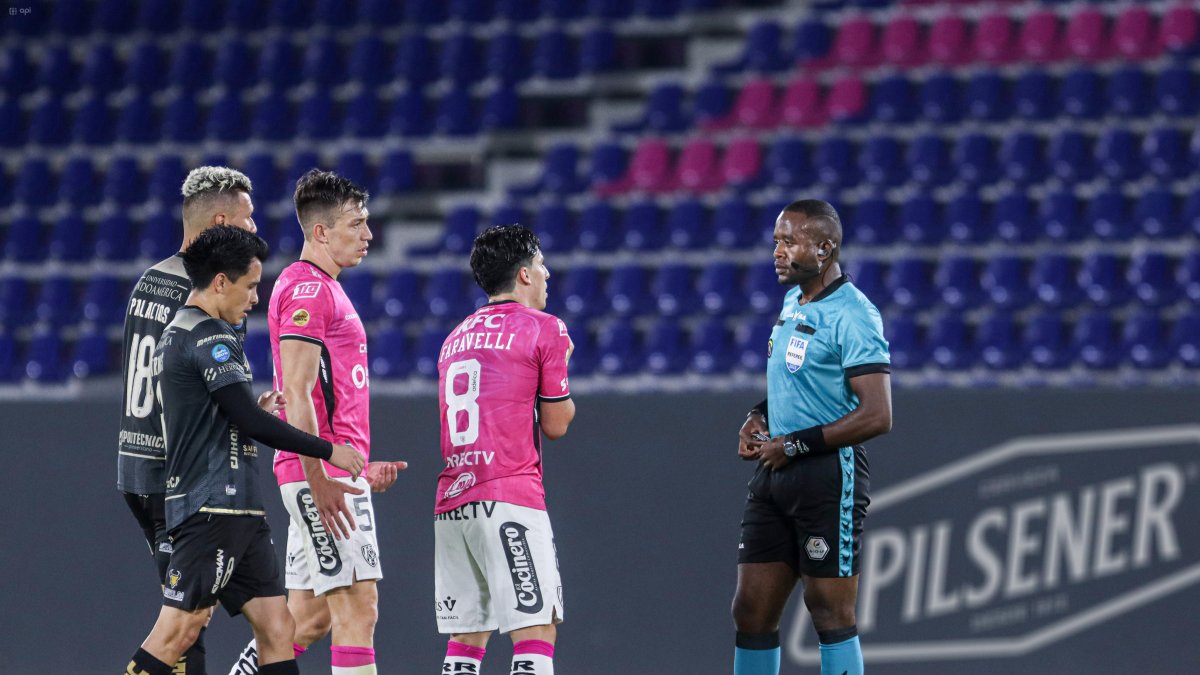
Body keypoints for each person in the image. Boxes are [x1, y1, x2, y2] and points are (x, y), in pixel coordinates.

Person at [123, 225, 364, 675]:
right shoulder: (209, 337)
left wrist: (249, 407)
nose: (254, 298)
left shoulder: (180, 332)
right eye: (250, 285)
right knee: (180, 627)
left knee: (277, 629)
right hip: (211, 509)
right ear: (220, 282)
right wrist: (327, 450)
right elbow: (251, 423)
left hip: (238, 512)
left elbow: (218, 413)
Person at [228, 169, 405, 675]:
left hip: (324, 468)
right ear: (321, 232)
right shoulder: (308, 290)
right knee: (358, 609)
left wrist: (357, 469)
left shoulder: (319, 287)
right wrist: (320, 476)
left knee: (305, 620)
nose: (368, 234)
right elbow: (298, 392)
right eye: (357, 223)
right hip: (318, 472)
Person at [732, 200, 892, 675]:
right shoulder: (793, 300)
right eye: (776, 241)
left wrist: (796, 443)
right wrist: (757, 415)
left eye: (789, 241)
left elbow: (878, 414)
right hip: (774, 470)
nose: (777, 252)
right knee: (750, 610)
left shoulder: (855, 314)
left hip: (827, 474)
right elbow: (796, 383)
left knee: (829, 610)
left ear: (825, 248)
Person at [119, 166, 258, 673]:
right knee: (186, 621)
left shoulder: (148, 281)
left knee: (188, 618)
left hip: (135, 465)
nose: (253, 230)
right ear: (220, 221)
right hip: (178, 473)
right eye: (246, 219)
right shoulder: (208, 294)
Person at [435, 224, 575, 675]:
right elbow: (556, 425)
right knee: (535, 631)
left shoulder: (454, 337)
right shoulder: (545, 329)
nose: (547, 272)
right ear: (524, 275)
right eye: (540, 264)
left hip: (454, 501)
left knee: (466, 639)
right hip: (510, 497)